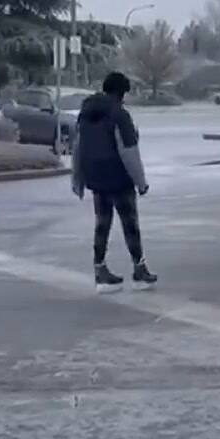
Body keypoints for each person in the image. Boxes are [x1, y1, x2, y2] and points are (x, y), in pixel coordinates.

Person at [72, 72, 158, 290]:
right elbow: (128, 151)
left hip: (96, 177)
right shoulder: (119, 115)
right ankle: (139, 270)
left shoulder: (86, 114)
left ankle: (100, 271)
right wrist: (141, 182)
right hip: (119, 178)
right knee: (130, 224)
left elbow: (78, 148)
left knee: (102, 224)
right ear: (121, 92)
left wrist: (78, 179)